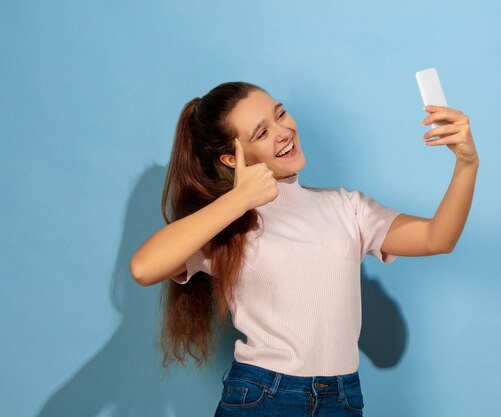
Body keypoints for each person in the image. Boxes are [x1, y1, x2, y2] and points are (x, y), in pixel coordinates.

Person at [129, 81, 479, 416]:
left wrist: (467, 163)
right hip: (263, 395)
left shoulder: (347, 208)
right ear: (231, 159)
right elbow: (144, 268)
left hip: (342, 397)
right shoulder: (226, 226)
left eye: (280, 114)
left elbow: (438, 238)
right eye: (261, 133)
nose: (283, 132)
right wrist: (240, 199)